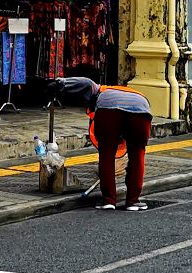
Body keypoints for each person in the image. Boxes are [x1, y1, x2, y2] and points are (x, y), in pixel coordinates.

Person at [52, 73, 153, 211]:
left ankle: (109, 200)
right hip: (141, 111)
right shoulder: (138, 95)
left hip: (108, 109)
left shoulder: (100, 90)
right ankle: (133, 201)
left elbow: (85, 81)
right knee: (137, 155)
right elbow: (86, 81)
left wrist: (61, 83)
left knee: (106, 155)